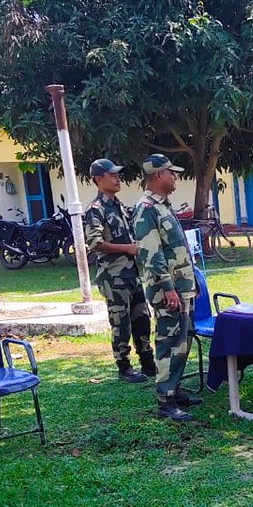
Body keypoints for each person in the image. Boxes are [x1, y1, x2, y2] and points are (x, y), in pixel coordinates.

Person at [131, 154, 198, 422]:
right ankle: (165, 401)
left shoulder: (163, 206)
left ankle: (175, 389)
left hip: (182, 288)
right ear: (158, 175)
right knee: (169, 343)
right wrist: (168, 287)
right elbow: (152, 254)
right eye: (171, 173)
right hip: (166, 290)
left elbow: (178, 250)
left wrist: (190, 284)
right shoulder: (146, 208)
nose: (175, 177)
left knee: (183, 342)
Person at [83, 158, 155, 384]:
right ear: (98, 179)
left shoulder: (119, 206)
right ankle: (124, 366)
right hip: (113, 276)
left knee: (142, 318)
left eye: (117, 174)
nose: (117, 178)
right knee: (121, 321)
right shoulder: (96, 210)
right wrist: (127, 248)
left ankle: (147, 361)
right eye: (112, 175)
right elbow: (94, 243)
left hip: (132, 273)